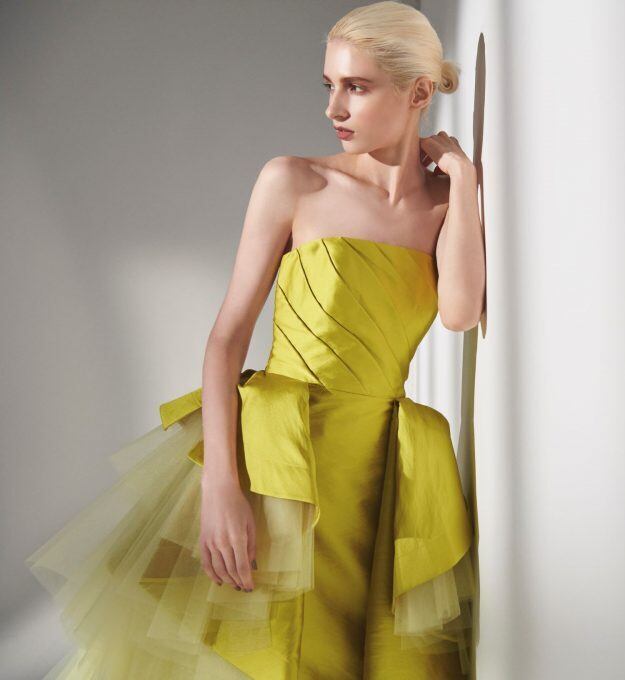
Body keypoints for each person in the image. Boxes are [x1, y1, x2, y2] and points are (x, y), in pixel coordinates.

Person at [24, 2, 485, 678]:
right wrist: (221, 487)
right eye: (329, 85)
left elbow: (460, 312)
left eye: (356, 87)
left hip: (379, 473)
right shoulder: (296, 181)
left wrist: (465, 182)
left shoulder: (443, 208)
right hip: (275, 457)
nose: (334, 107)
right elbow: (226, 338)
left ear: (419, 92)